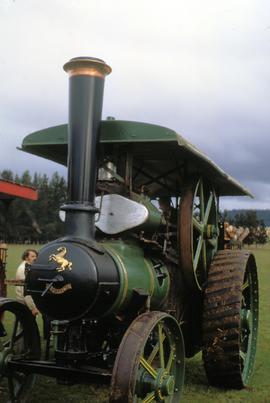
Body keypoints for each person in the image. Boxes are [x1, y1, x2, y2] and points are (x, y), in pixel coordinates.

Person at [15, 249, 39, 316]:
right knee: (27, 325)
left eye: (36, 256)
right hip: (25, 304)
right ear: (26, 257)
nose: (35, 258)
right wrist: (32, 308)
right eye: (32, 256)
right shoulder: (24, 269)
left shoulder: (27, 267)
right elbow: (25, 290)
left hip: (25, 303)